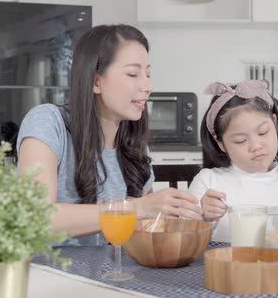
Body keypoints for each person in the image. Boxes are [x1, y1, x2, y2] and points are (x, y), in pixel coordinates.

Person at [16, 24, 202, 246]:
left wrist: (196, 214)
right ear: (96, 82)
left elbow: (143, 228)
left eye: (148, 74)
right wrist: (138, 207)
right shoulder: (47, 123)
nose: (148, 85)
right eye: (133, 73)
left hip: (116, 273)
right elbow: (35, 218)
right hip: (52, 274)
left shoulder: (135, 144)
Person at [188, 80, 278, 242]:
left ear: (275, 123)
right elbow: (182, 238)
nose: (256, 146)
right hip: (224, 266)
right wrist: (202, 217)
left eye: (263, 132)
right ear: (220, 142)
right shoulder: (208, 181)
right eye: (240, 140)